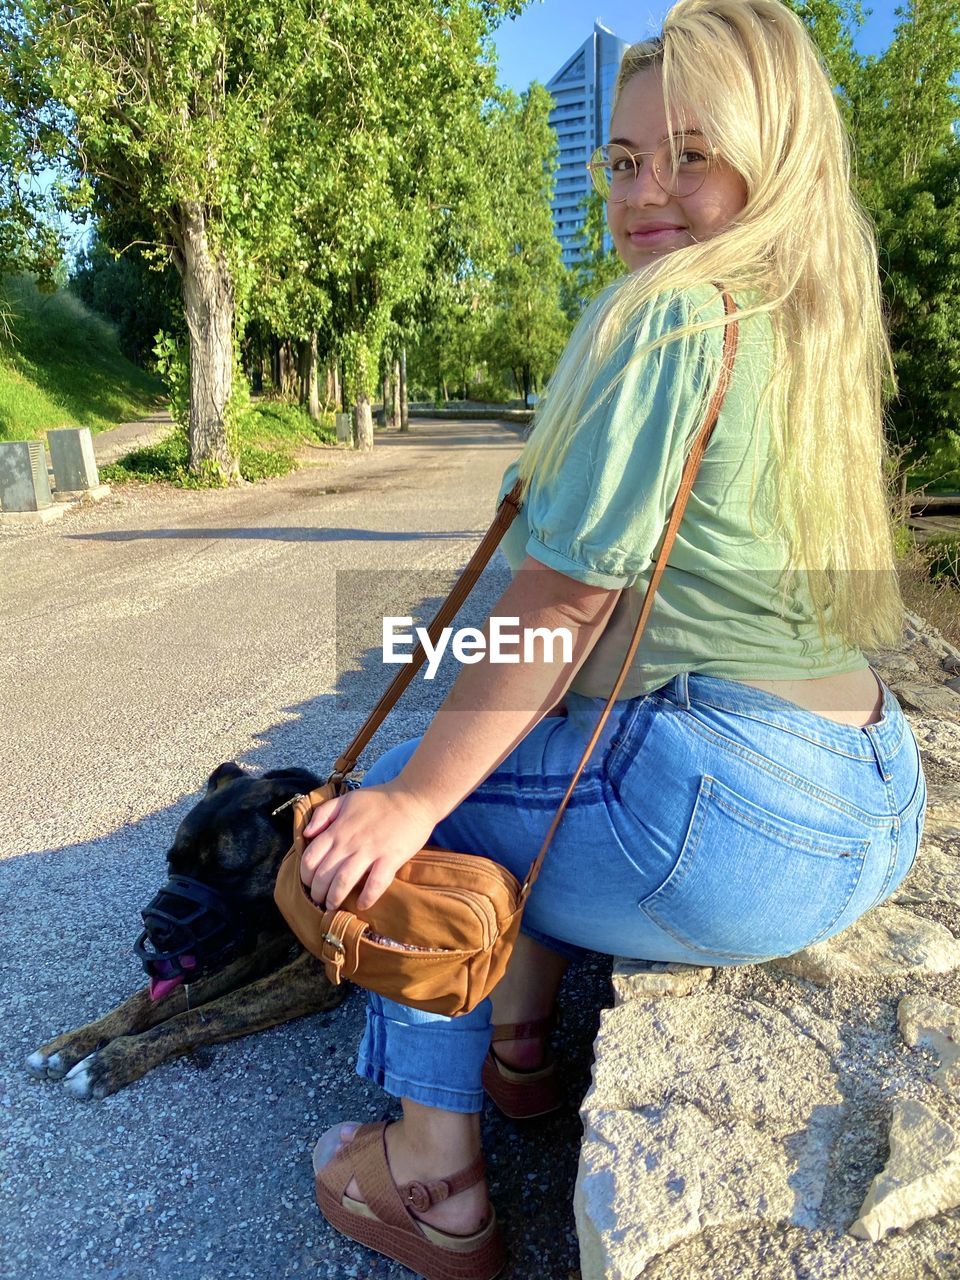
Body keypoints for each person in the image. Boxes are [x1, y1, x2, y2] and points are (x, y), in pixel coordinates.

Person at [299, 2, 927, 1277]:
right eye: (627, 158)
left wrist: (408, 797)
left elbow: (564, 604)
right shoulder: (809, 322)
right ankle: (519, 1050)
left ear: (775, 151)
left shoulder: (670, 316)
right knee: (546, 748)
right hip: (873, 797)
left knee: (418, 811)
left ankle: (433, 1179)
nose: (649, 191)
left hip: (740, 823)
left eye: (693, 153)